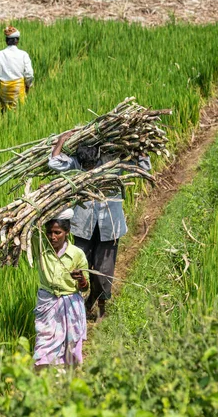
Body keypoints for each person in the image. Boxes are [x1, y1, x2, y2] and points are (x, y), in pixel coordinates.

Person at [48, 133, 151, 320]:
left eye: (91, 165)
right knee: (80, 268)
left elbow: (144, 167)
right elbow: (54, 163)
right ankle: (81, 306)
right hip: (83, 226)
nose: (88, 169)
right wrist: (62, 141)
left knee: (103, 271)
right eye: (85, 166)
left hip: (109, 226)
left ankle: (101, 306)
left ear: (98, 156)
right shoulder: (77, 163)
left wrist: (141, 147)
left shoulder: (112, 162)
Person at [32, 209, 90, 371]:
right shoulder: (41, 247)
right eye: (49, 232)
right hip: (47, 303)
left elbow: (86, 288)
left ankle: (64, 381)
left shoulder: (77, 254)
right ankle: (44, 379)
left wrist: (81, 280)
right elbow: (29, 229)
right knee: (44, 343)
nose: (53, 237)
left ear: (67, 232)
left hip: (70, 305)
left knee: (70, 347)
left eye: (58, 232)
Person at [0, 26, 34, 109]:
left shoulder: (0, 54)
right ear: (17, 41)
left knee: (4, 110)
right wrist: (29, 84)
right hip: (18, 89)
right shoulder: (23, 54)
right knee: (19, 110)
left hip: (4, 89)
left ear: (6, 41)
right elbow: (29, 73)